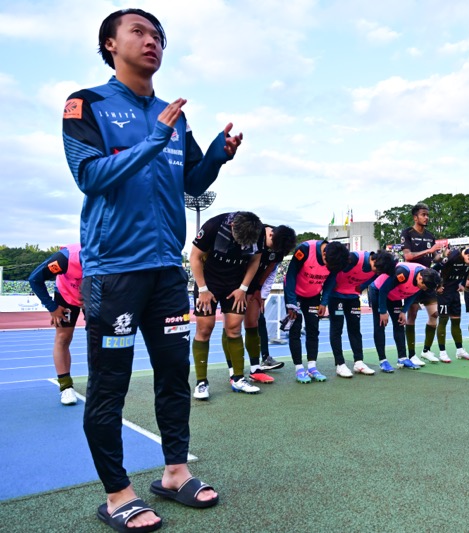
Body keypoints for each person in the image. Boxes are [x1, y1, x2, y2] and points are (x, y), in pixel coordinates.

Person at [63, 8, 234, 530]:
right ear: (110, 44)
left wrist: (217, 157)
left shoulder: (172, 114)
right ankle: (118, 495)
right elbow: (90, 176)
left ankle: (176, 474)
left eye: (157, 34)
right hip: (114, 272)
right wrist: (155, 139)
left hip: (165, 270)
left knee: (174, 375)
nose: (151, 40)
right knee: (109, 386)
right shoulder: (86, 103)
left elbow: (191, 181)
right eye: (138, 31)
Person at [190, 212, 264, 400]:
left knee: (234, 328)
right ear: (232, 226)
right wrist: (203, 289)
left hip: (235, 284)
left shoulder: (258, 231)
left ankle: (238, 378)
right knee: (204, 329)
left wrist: (243, 288)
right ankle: (201, 382)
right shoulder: (213, 226)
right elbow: (195, 257)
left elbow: (255, 260)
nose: (241, 245)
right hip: (209, 281)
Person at [284, 240, 350, 383]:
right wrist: (291, 303)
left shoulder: (336, 259)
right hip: (295, 294)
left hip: (313, 296)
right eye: (327, 264)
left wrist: (323, 301)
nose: (327, 268)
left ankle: (312, 367)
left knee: (313, 330)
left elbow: (330, 281)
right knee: (295, 329)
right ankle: (299, 368)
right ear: (324, 253)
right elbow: (290, 275)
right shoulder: (305, 250)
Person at [324, 250, 396, 377]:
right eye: (378, 270)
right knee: (337, 328)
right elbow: (332, 268)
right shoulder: (354, 258)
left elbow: (373, 277)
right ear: (374, 260)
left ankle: (358, 362)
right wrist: (330, 288)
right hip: (336, 297)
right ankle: (340, 364)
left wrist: (362, 286)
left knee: (355, 329)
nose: (377, 273)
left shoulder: (376, 269)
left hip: (352, 297)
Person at [28, 243, 83, 406]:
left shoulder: (114, 255)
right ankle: (66, 387)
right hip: (66, 296)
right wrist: (52, 307)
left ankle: (101, 383)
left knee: (99, 337)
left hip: (95, 297)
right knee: (63, 337)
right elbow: (35, 279)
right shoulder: (64, 258)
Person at [240, 224, 296, 381]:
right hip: (236, 283)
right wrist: (241, 289)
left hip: (254, 286)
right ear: (271, 236)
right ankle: (235, 370)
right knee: (233, 324)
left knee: (259, 320)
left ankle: (262, 360)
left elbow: (270, 272)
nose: (277, 252)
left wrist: (261, 294)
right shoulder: (253, 237)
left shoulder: (278, 249)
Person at [368, 263, 442, 371]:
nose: (425, 289)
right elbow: (383, 290)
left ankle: (402, 358)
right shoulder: (403, 273)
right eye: (425, 287)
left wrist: (403, 311)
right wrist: (383, 312)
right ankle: (383, 361)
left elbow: (413, 294)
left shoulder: (427, 276)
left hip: (395, 295)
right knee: (380, 324)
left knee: (399, 323)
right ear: (420, 278)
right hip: (378, 292)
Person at [400, 203, 446, 364]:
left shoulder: (430, 235)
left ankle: (426, 350)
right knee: (412, 314)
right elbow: (408, 256)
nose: (426, 217)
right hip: (414, 281)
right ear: (415, 217)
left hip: (429, 280)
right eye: (423, 215)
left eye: (427, 215)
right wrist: (429, 251)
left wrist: (443, 255)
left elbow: (435, 257)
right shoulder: (407, 233)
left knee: (434, 314)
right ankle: (411, 354)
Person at [433, 246, 469, 360]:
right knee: (443, 321)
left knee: (456, 322)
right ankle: (442, 352)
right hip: (444, 293)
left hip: (455, 293)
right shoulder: (452, 257)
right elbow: (433, 270)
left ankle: (460, 350)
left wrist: (462, 284)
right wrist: (437, 286)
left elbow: (466, 273)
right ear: (467, 255)